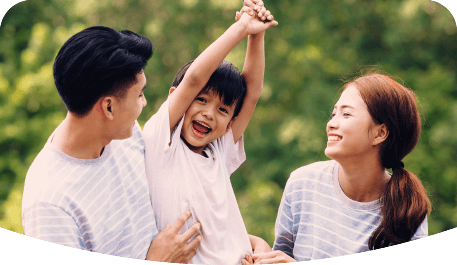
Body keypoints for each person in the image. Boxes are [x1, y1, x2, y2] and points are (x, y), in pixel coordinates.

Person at [21, 26, 202, 262]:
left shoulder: (125, 136)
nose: (144, 103)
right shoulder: (49, 204)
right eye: (139, 95)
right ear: (108, 107)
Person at [243, 72, 431, 264]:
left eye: (346, 114)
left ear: (380, 133)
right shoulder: (302, 183)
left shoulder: (406, 208)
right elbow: (280, 256)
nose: (331, 123)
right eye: (334, 114)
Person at [142, 2, 277, 264]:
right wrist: (240, 28)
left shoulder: (219, 152)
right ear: (177, 98)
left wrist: (256, 35)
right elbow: (193, 80)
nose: (209, 113)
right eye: (201, 100)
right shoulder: (162, 144)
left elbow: (251, 95)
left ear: (229, 123)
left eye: (223, 110)